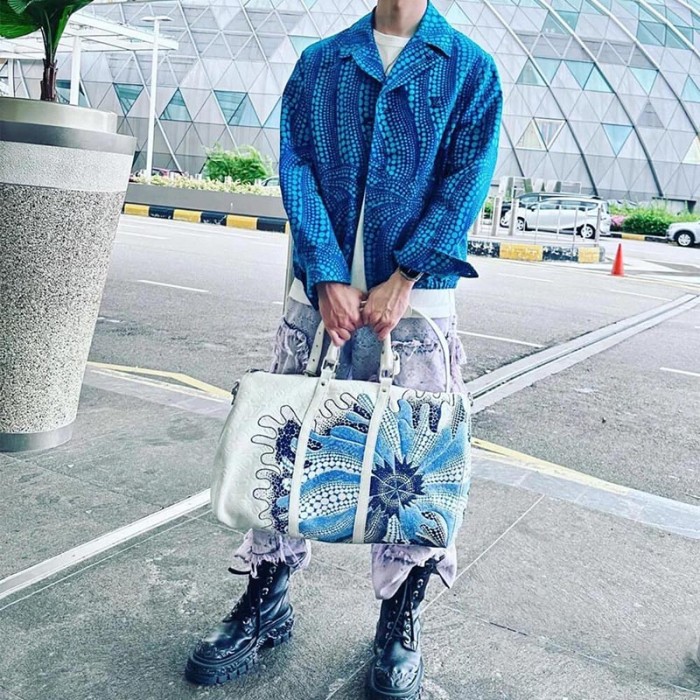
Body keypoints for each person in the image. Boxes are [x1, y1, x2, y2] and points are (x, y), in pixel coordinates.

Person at [185, 0, 503, 697]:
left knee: (413, 473)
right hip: (317, 302)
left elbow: (466, 181)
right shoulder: (322, 61)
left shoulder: (469, 69)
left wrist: (405, 276)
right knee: (284, 456)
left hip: (415, 307)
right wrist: (327, 272)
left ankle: (397, 626)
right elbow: (297, 166)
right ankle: (265, 601)